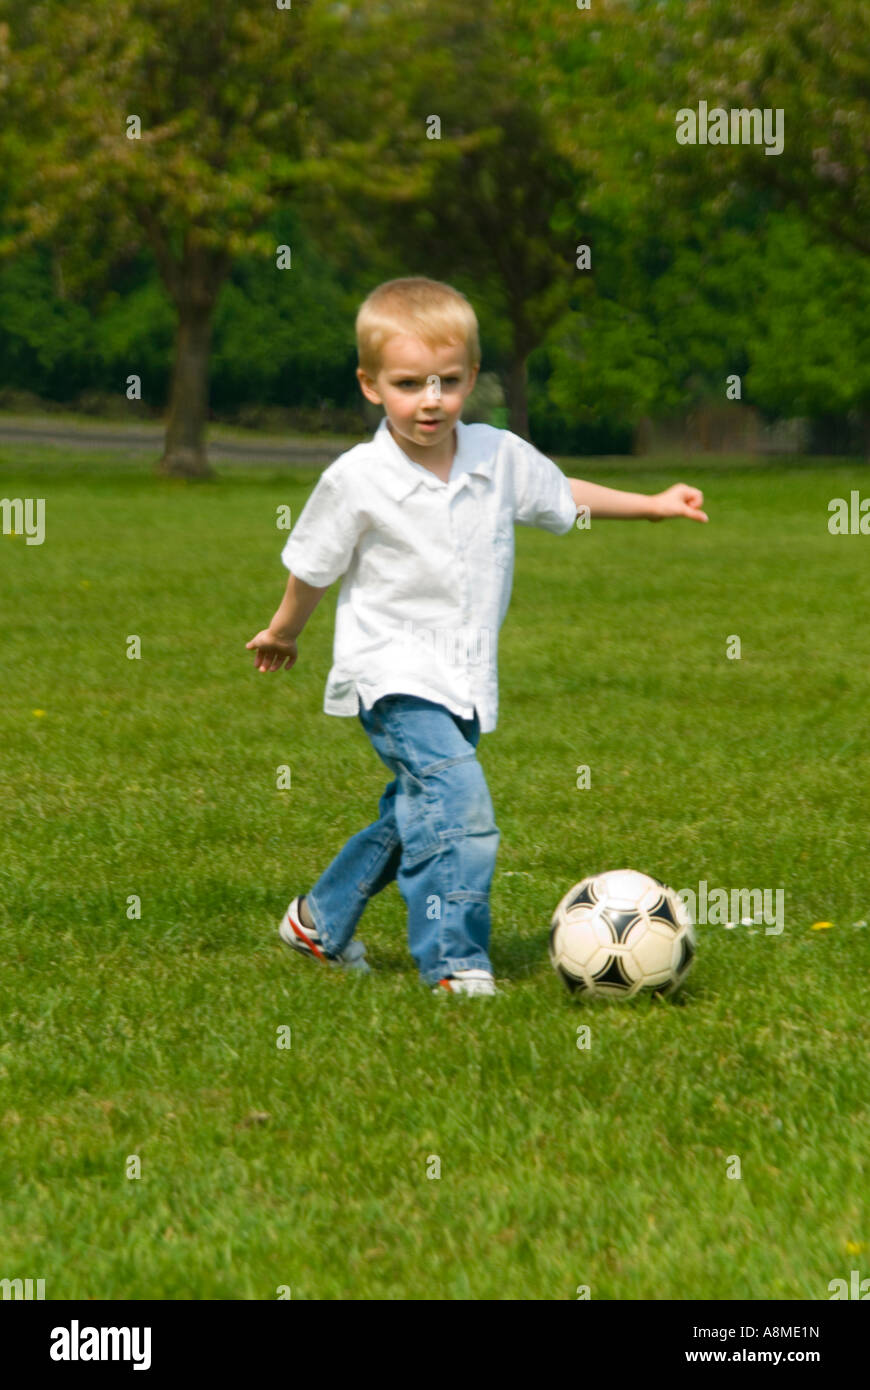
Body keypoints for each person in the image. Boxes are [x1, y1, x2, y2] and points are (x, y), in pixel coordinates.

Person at [246, 277, 707, 995]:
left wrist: (651, 505)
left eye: (448, 381)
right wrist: (284, 631)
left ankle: (318, 920)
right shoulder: (357, 477)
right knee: (461, 814)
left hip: (462, 677)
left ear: (470, 378)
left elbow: (563, 494)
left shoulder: (496, 455)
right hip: (393, 677)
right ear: (370, 386)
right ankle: (455, 964)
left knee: (415, 811)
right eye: (408, 383)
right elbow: (312, 566)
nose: (430, 399)